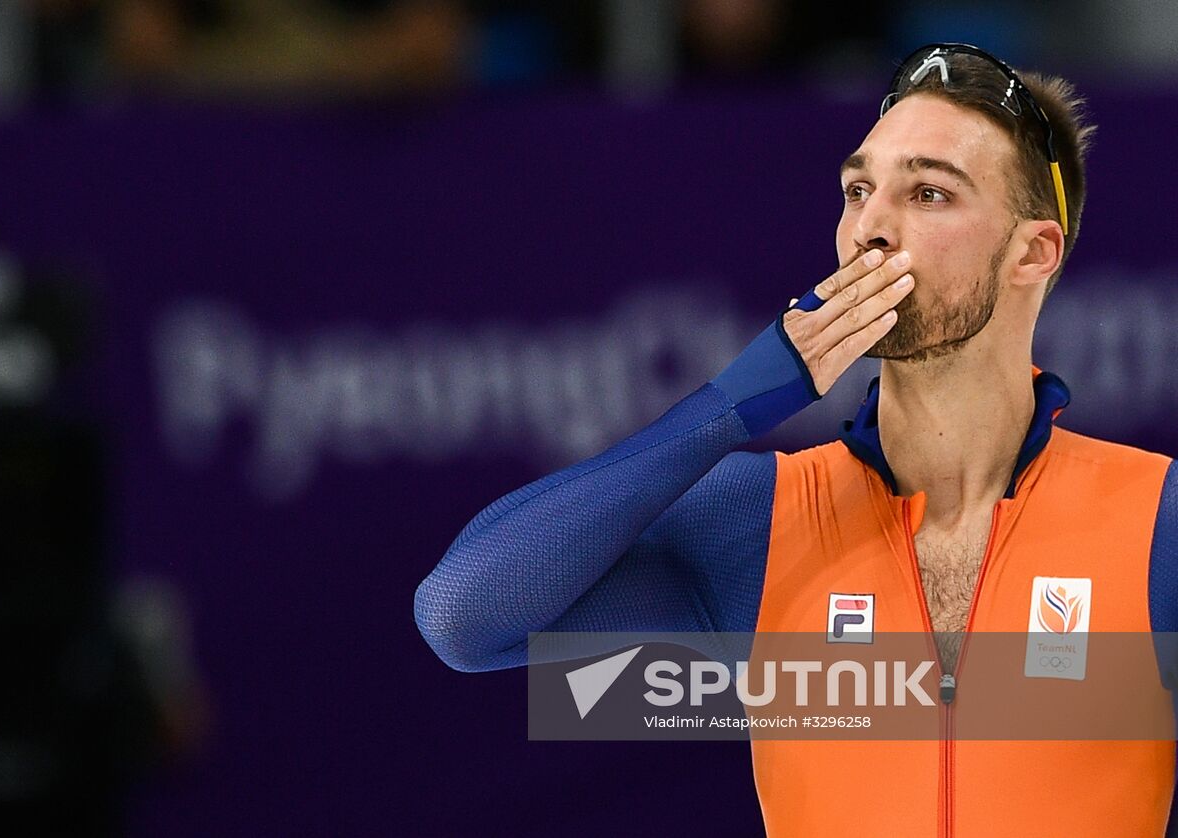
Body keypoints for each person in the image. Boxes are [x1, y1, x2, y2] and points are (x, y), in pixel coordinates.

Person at [414, 43, 1178, 836]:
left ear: (1033, 252)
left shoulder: (1156, 524)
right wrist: (728, 408)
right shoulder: (760, 525)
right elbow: (462, 618)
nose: (870, 228)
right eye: (858, 189)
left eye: (928, 192)